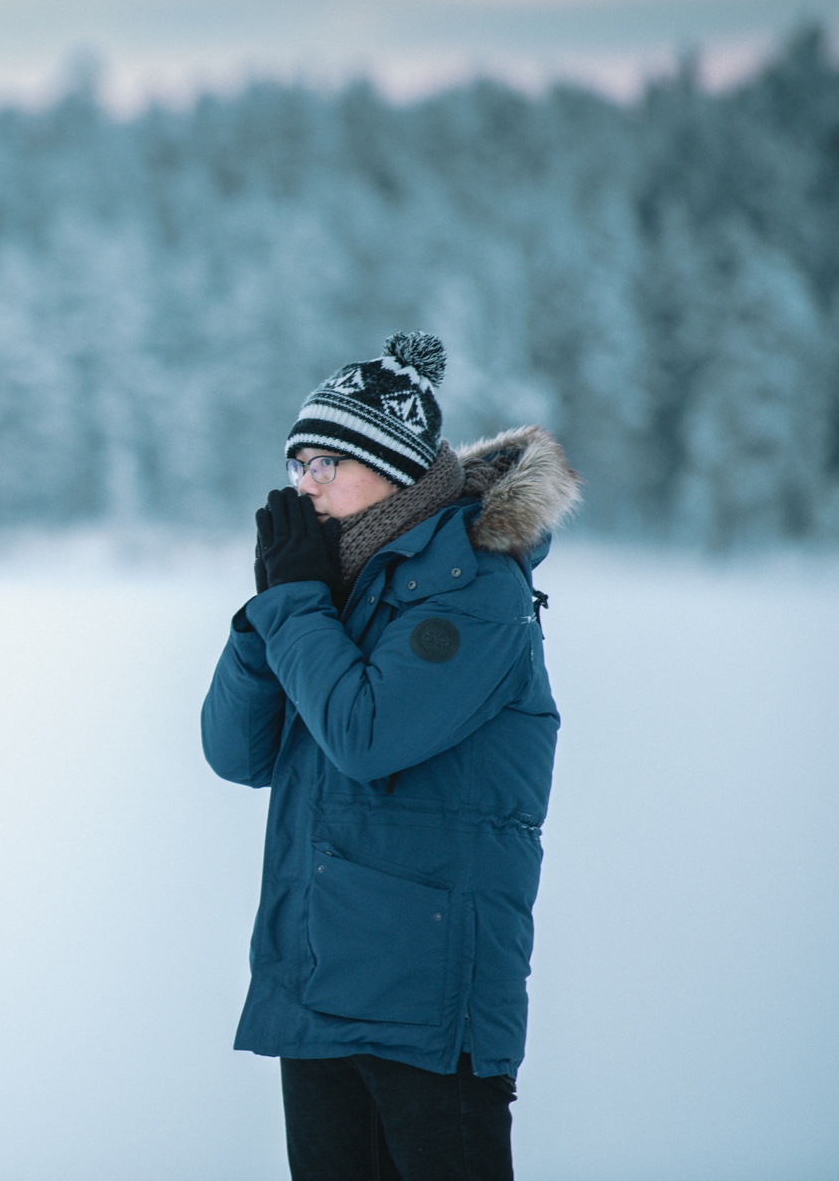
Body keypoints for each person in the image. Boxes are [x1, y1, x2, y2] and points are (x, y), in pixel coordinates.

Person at [201, 332, 580, 1181]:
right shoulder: (337, 593)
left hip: (425, 1005)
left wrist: (297, 603)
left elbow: (366, 735)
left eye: (327, 460)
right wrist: (270, 614)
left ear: (396, 466)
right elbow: (235, 751)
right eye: (297, 460)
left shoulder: (477, 590)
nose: (304, 482)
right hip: (319, 983)